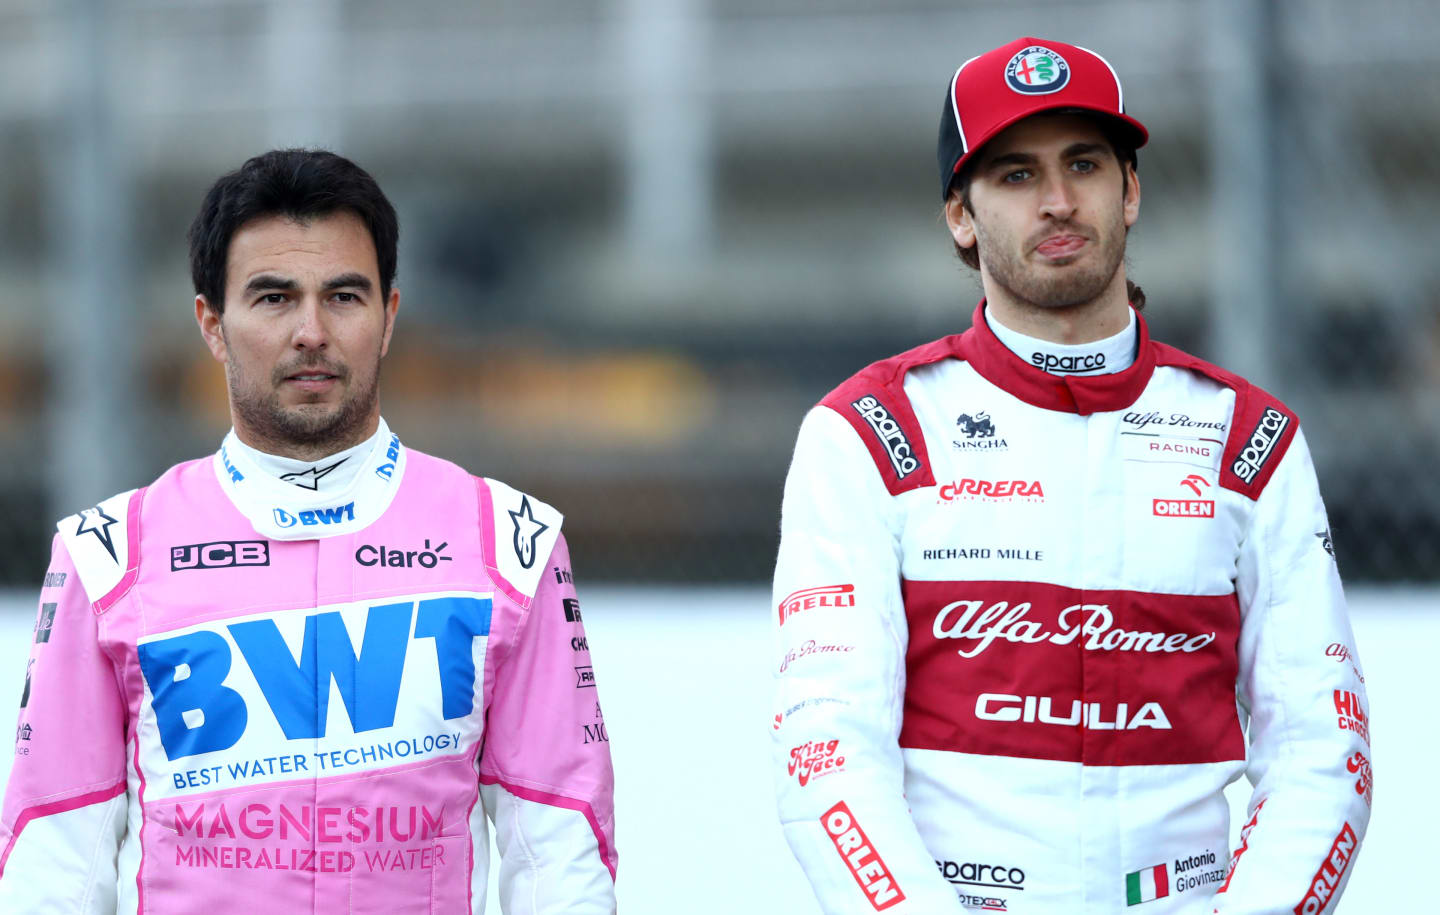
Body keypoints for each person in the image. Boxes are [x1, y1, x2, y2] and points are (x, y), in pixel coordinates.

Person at [771, 37, 1370, 914]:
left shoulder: (1251, 439)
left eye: (1084, 164)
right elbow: (825, 752)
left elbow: (1326, 750)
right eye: (1015, 176)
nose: (1057, 202)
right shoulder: (868, 434)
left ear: (1130, 190)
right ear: (959, 217)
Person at [0, 149, 616, 913]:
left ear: (388, 318)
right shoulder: (106, 554)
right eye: (272, 298)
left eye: (344, 296)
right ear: (212, 324)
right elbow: (54, 863)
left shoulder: (512, 545)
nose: (311, 331)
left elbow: (559, 851)